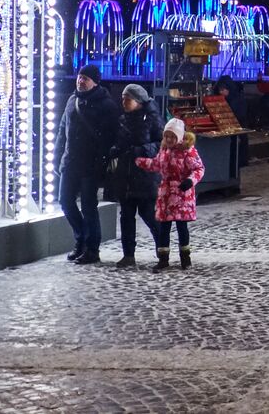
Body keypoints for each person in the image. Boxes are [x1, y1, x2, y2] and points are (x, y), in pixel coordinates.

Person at [55, 64, 120, 265]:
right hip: (71, 161)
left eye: (86, 78)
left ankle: (92, 249)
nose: (81, 81)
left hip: (90, 165)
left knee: (89, 207)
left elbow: (111, 136)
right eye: (80, 77)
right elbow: (62, 129)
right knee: (65, 201)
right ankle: (82, 239)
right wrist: (58, 156)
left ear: (95, 82)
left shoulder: (106, 105)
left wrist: (101, 160)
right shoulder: (72, 100)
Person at [134, 118, 205, 271]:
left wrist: (190, 181)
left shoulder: (188, 151)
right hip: (165, 195)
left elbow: (199, 169)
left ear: (179, 137)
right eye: (167, 136)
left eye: (172, 136)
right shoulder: (164, 150)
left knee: (182, 227)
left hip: (182, 195)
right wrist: (139, 161)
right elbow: (157, 164)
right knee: (164, 228)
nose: (169, 139)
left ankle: (185, 259)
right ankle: (163, 259)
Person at [108, 84, 165, 269]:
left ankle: (162, 247)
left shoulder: (153, 118)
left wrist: (141, 150)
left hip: (145, 175)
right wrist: (115, 150)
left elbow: (161, 144)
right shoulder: (123, 119)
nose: (123, 102)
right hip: (126, 175)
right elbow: (119, 141)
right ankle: (128, 254)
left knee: (148, 213)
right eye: (123, 98)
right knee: (126, 216)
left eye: (128, 99)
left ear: (138, 101)